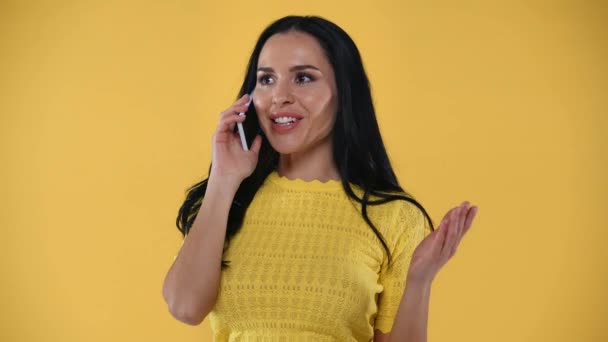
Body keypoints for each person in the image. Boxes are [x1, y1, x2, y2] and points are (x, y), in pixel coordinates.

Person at [162, 15, 478, 342]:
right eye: (266, 79)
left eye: (303, 78)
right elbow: (184, 307)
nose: (279, 97)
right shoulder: (227, 199)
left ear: (344, 93)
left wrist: (419, 281)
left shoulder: (395, 218)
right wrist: (224, 181)